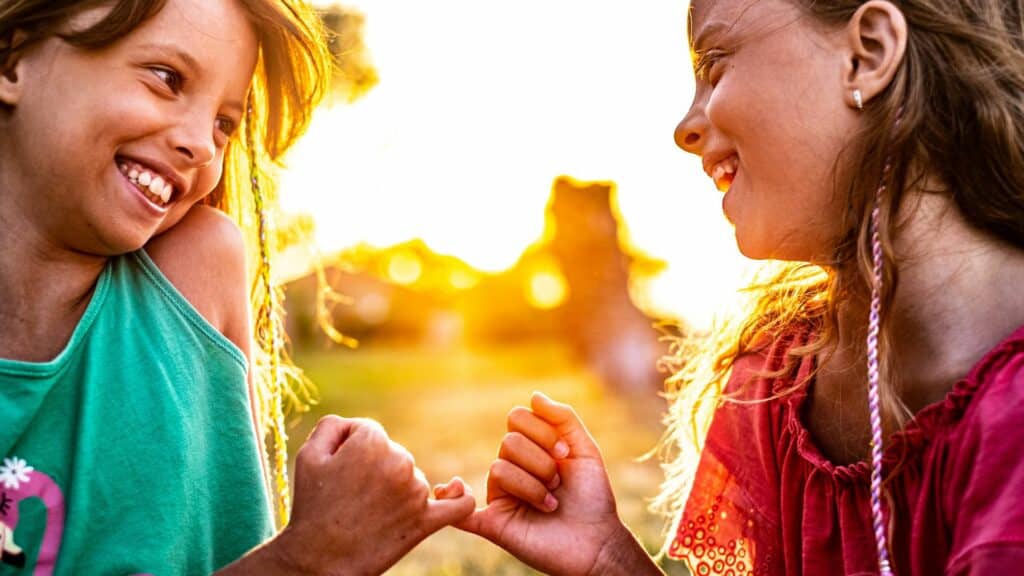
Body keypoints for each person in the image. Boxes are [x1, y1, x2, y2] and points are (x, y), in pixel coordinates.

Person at [456, 0, 1024, 574]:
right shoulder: (777, 380)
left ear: (867, 55)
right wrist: (609, 560)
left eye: (716, 65)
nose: (685, 128)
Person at [0, 0, 473, 573]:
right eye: (167, 78)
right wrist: (306, 563)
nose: (202, 144)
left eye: (225, 123)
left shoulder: (192, 281)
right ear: (12, 61)